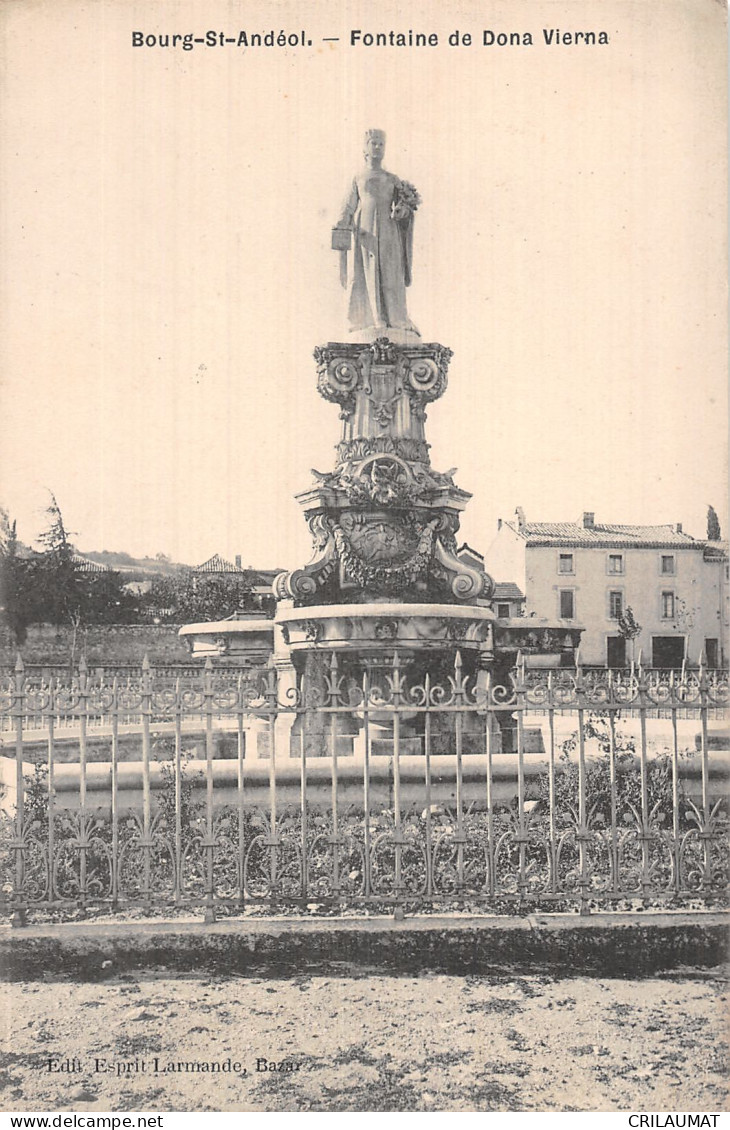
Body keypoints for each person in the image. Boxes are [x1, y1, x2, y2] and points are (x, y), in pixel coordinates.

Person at [333, 130, 420, 337]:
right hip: (365, 232)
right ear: (365, 147)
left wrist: (402, 210)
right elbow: (348, 206)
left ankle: (395, 318)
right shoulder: (358, 178)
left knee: (390, 272)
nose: (378, 147)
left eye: (381, 144)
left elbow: (404, 206)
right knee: (365, 273)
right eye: (374, 143)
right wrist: (343, 221)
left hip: (388, 231)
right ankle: (367, 318)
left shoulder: (392, 179)